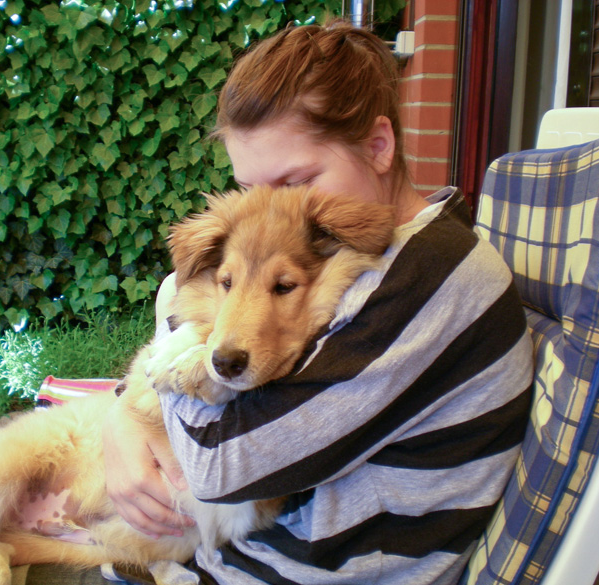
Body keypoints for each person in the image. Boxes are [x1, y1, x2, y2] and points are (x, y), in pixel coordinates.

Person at [102, 18, 534, 585]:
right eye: (251, 189)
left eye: (294, 182)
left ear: (378, 146)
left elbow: (217, 468)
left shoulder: (427, 274)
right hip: (244, 557)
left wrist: (164, 334)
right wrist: (121, 415)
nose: (269, 212)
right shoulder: (379, 252)